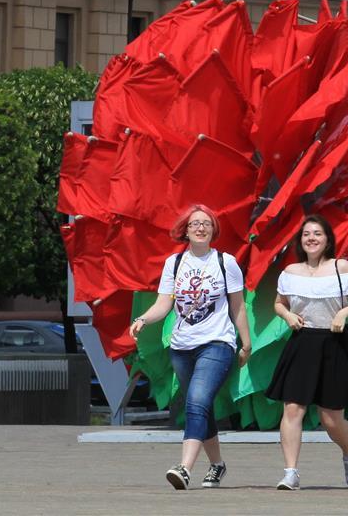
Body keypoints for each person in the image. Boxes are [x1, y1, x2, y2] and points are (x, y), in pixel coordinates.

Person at [129, 204, 251, 490]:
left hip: (217, 343)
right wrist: (143, 319)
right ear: (185, 230)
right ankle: (218, 465)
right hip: (181, 347)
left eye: (206, 223)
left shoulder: (225, 262)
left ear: (213, 230)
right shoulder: (174, 263)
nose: (200, 227)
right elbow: (164, 304)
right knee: (201, 406)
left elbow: (238, 307)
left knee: (196, 400)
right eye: (195, 223)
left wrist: (246, 343)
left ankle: (184, 468)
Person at [265, 214, 348, 490]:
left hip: (334, 344)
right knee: (292, 409)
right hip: (302, 343)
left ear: (327, 240)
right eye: (306, 234)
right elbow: (279, 303)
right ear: (301, 241)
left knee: (331, 418)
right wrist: (287, 316)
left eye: (317, 234)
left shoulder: (342, 267)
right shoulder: (290, 272)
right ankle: (291, 472)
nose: (311, 238)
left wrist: (343, 313)